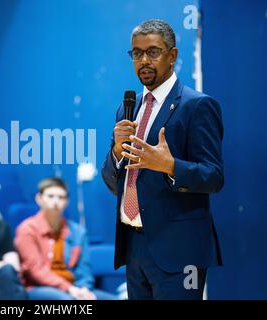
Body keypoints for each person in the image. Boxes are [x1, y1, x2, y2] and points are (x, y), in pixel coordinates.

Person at [101, 19, 223, 300]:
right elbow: (111, 181)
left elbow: (214, 177)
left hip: (180, 253)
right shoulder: (126, 109)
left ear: (173, 56)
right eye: (137, 53)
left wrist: (169, 166)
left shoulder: (197, 106)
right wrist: (117, 153)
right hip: (134, 246)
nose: (144, 60)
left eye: (153, 52)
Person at [14, 177, 117, 300]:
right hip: (38, 287)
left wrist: (84, 289)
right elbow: (36, 270)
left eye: (61, 197)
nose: (56, 201)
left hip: (74, 286)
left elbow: (84, 268)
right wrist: (68, 288)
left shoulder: (78, 231)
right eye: (50, 196)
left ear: (67, 201)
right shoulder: (27, 229)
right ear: (39, 199)